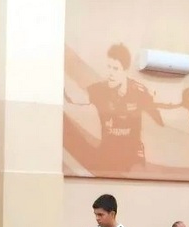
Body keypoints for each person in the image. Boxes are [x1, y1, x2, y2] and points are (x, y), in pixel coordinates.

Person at [65, 43, 163, 173]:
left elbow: (158, 118)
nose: (111, 73)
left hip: (132, 160)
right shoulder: (99, 90)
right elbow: (75, 99)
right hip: (107, 159)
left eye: (115, 69)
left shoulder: (138, 91)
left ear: (125, 70)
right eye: (109, 67)